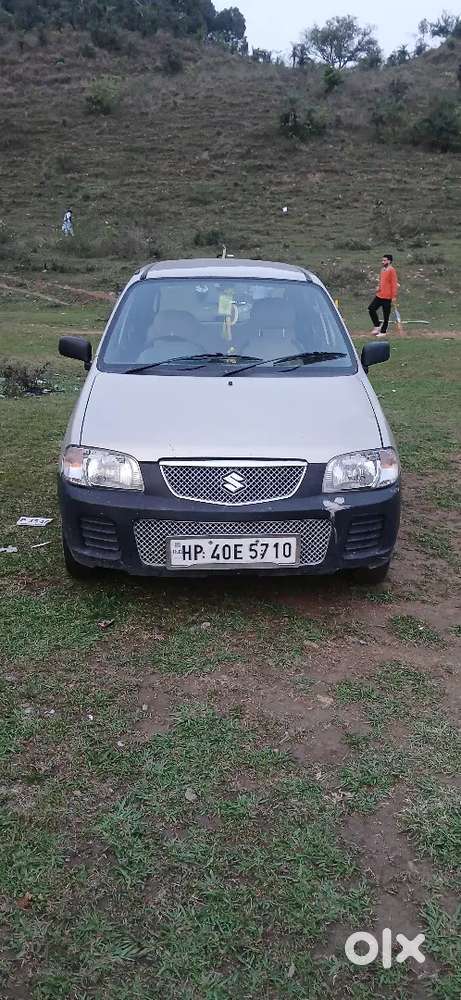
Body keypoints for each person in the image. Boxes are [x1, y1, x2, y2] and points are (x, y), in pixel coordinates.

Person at [369, 254, 398, 337]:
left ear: (389, 261)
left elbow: (394, 284)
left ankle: (383, 331)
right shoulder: (382, 270)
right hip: (380, 295)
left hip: (387, 296)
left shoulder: (391, 270)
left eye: (385, 260)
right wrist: (379, 287)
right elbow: (382, 281)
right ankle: (377, 325)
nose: (383, 262)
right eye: (382, 260)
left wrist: (394, 296)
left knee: (386, 315)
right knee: (371, 308)